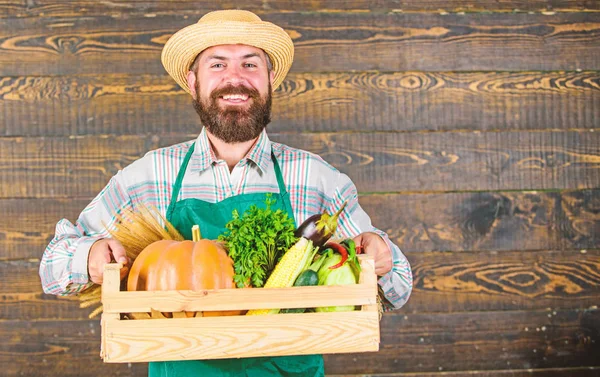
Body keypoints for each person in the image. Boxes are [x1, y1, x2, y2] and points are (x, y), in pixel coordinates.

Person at [39, 9, 413, 377]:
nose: (235, 79)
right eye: (217, 65)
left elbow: (398, 286)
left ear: (269, 79)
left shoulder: (317, 179)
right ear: (193, 82)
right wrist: (88, 255)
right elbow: (52, 267)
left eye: (250, 65)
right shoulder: (148, 177)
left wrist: (378, 256)